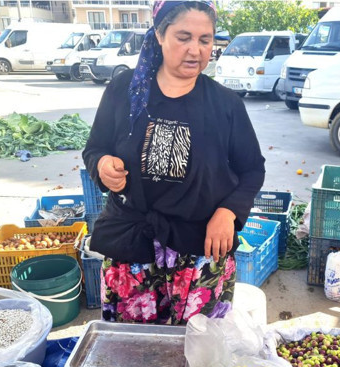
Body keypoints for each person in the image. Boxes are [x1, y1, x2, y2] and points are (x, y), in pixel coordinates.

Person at [82, 0, 266, 325]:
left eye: (205, 40)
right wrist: (102, 165)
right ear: (159, 34)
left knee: (196, 356)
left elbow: (252, 168)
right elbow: (94, 148)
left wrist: (228, 212)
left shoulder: (226, 104)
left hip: (200, 253)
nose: (195, 50)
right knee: (133, 356)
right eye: (184, 37)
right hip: (131, 251)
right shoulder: (125, 90)